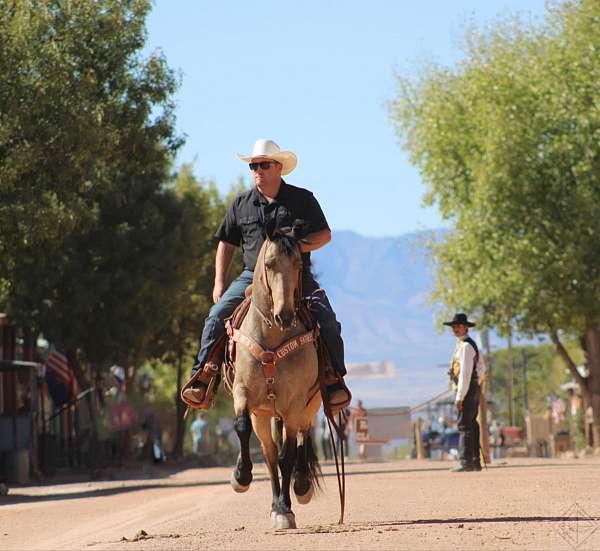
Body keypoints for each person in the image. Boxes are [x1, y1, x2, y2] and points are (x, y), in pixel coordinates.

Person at [182, 138, 350, 410]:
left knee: (326, 316)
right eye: (253, 166)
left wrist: (298, 246)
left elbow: (325, 235)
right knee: (215, 316)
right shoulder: (241, 204)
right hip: (251, 277)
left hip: (295, 276)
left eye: (263, 165)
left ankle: (333, 379)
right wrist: (219, 283)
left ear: (279, 167)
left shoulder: (302, 199)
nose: (257, 170)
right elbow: (226, 244)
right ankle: (204, 375)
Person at [444, 313, 484, 472]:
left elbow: (466, 373)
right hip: (472, 387)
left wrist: (460, 396)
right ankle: (474, 461)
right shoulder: (465, 345)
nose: (455, 329)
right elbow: (481, 368)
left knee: (465, 425)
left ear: (465, 327)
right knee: (471, 424)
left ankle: (465, 461)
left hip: (467, 388)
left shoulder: (466, 347)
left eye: (458, 326)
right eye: (454, 327)